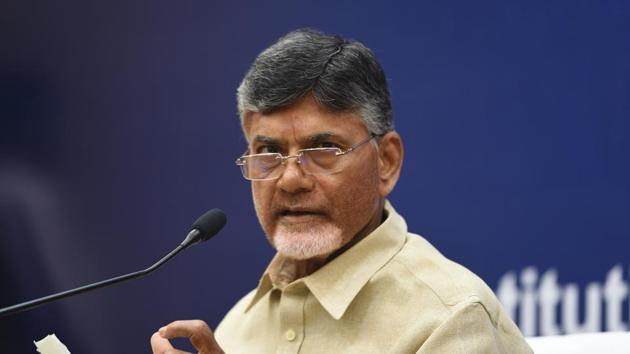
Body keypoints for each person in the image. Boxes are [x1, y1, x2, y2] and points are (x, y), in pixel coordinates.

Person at [150, 28, 533, 354]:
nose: (290, 179)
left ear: (386, 161)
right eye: (269, 152)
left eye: (324, 150)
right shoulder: (236, 329)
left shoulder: (448, 316)